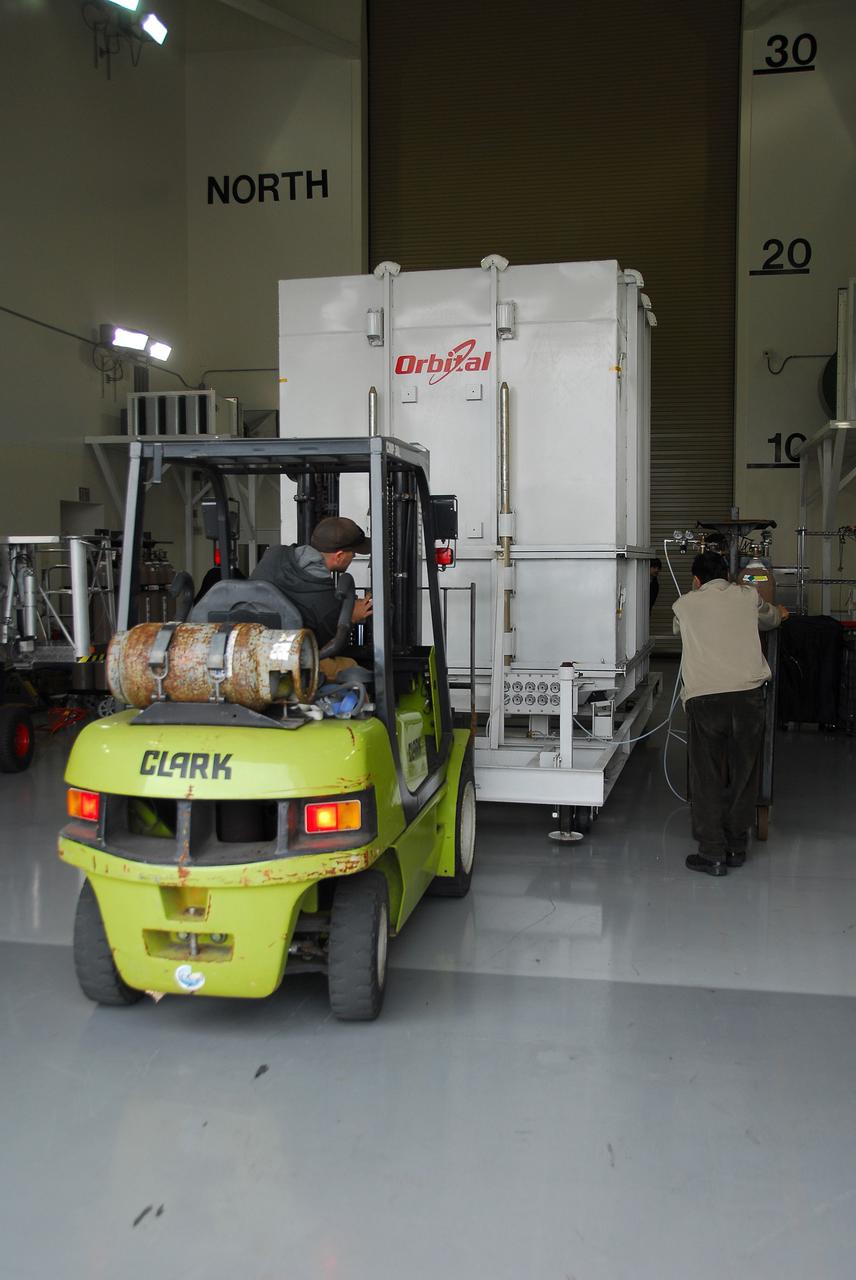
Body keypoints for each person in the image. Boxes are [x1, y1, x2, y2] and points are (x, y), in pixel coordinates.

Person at [672, 550, 788, 877]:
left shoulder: (684, 604)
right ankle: (737, 846)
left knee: (706, 776)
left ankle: (712, 853)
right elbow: (772, 618)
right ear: (729, 575)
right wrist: (780, 613)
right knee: (744, 772)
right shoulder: (747, 596)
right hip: (748, 698)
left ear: (696, 580)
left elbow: (679, 630)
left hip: (705, 700)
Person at [250, 515, 373, 649]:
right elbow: (326, 648)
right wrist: (351, 617)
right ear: (339, 556)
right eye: (353, 552)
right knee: (350, 665)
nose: (354, 556)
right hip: (287, 658)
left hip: (249, 642)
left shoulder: (273, 555)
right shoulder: (324, 600)